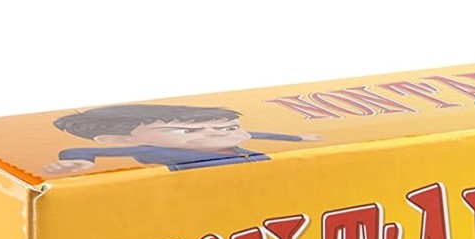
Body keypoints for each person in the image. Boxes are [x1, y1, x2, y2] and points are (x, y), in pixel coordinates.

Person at [45, 103, 321, 174]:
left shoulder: (236, 142)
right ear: (117, 139)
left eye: (229, 128)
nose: (217, 133)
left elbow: (259, 133)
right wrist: (80, 162)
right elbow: (80, 149)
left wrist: (297, 138)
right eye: (190, 131)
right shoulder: (150, 151)